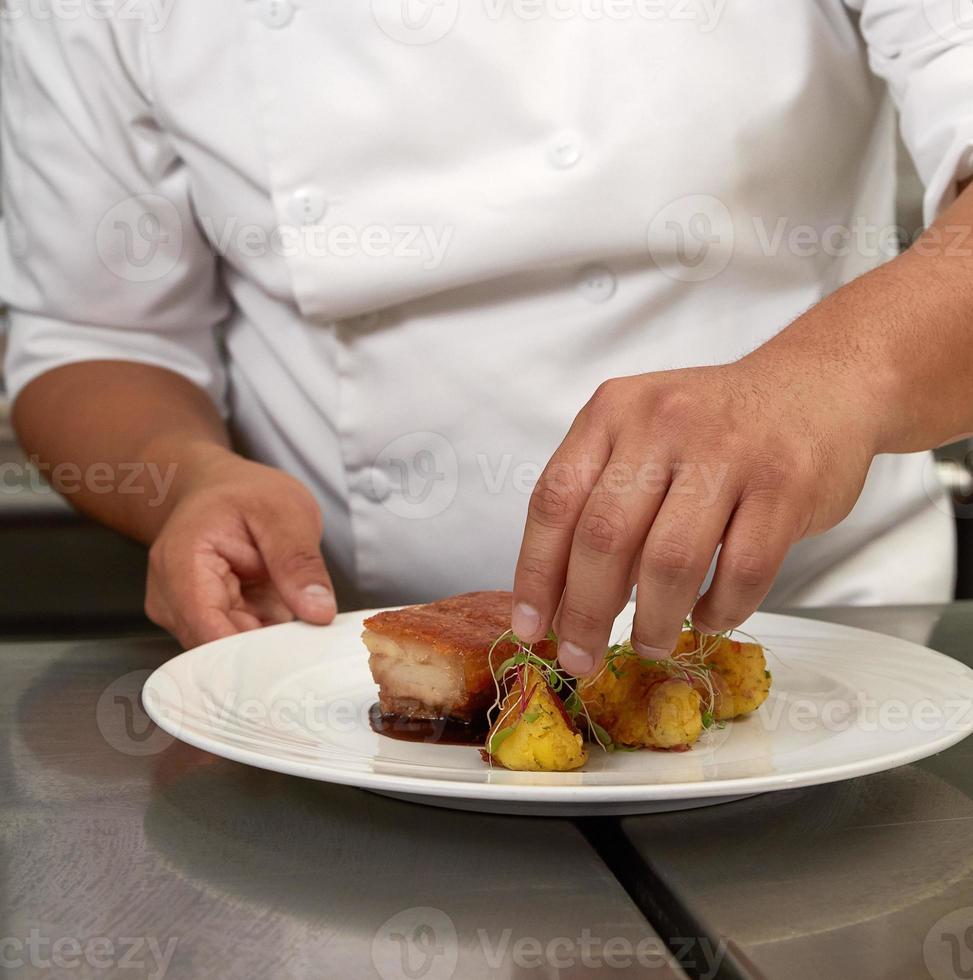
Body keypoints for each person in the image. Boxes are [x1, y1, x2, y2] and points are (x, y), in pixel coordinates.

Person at [2, 0, 972, 675]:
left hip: (824, 645)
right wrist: (185, 478)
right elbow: (86, 332)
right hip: (338, 681)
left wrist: (823, 385)